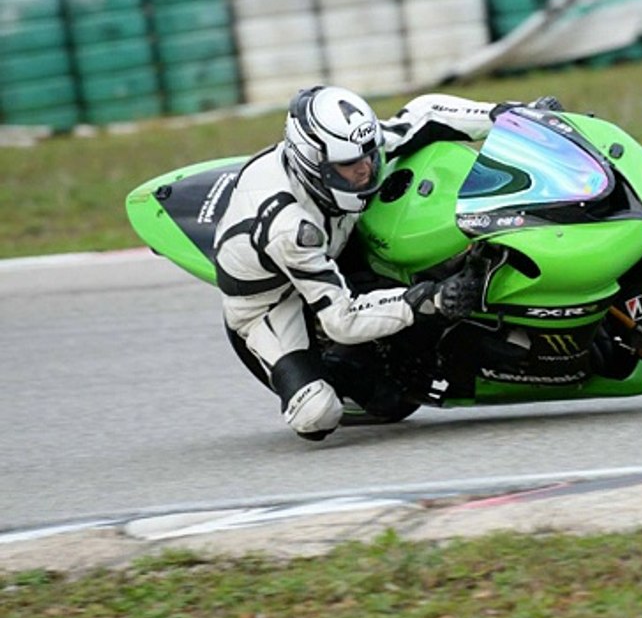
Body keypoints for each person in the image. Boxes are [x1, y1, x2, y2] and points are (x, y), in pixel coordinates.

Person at [213, 85, 562, 441]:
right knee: (317, 414)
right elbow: (341, 321)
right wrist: (432, 299)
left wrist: (517, 116)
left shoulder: (346, 149)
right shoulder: (290, 228)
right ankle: (338, 369)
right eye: (350, 165)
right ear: (313, 165)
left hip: (336, 240)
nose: (365, 170)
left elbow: (425, 115)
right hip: (272, 301)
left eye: (368, 156)